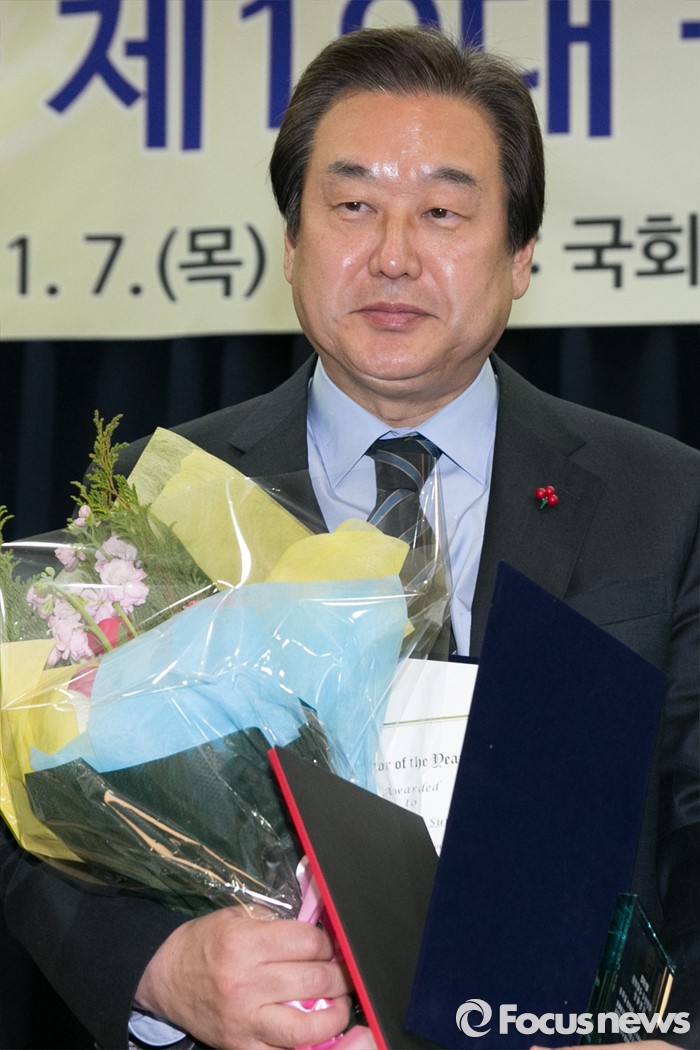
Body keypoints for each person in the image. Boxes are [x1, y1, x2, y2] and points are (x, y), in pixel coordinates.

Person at [1, 25, 698, 1050]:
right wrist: (163, 968)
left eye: (444, 212)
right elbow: (40, 805)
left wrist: (667, 1028)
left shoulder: (663, 499)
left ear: (520, 256)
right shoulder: (166, 493)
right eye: (353, 206)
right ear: (292, 244)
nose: (393, 255)